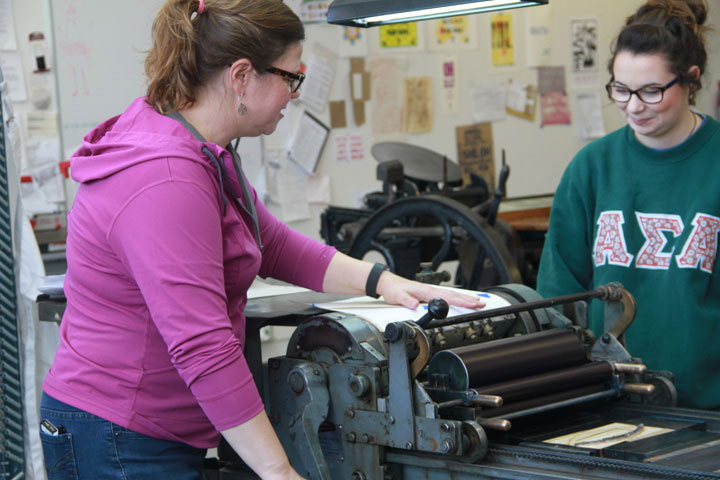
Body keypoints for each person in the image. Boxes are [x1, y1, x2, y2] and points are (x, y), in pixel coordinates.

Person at [38, 0, 486, 479]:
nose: (295, 93)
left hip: (150, 428)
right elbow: (203, 345)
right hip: (117, 434)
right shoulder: (167, 178)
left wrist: (385, 282)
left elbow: (269, 243)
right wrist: (279, 471)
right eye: (291, 78)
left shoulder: (203, 151)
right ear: (242, 77)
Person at [537, 0, 719, 410]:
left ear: (690, 80)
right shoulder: (592, 167)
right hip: (608, 400)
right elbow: (558, 297)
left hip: (709, 409)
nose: (633, 106)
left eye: (651, 91)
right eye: (621, 89)